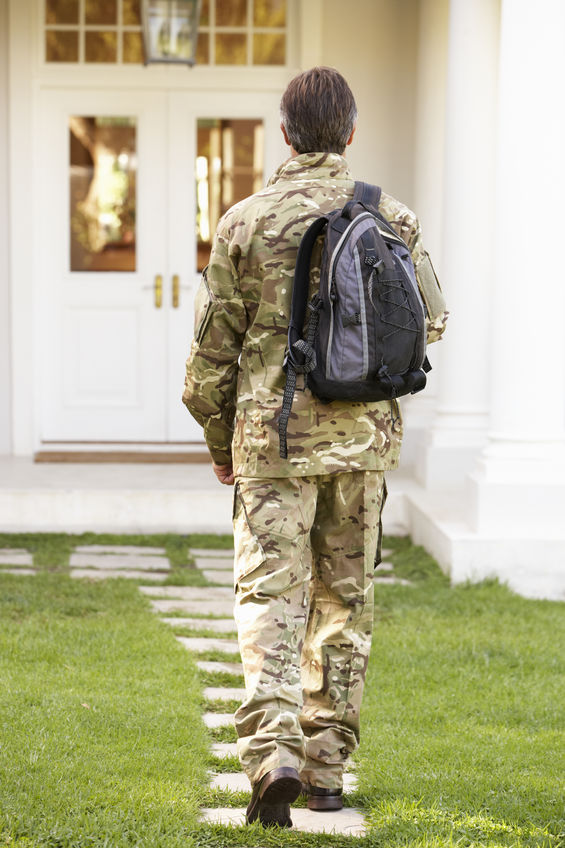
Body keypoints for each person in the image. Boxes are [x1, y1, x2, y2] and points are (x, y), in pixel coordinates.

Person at [183, 67, 447, 829]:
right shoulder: (389, 216)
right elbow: (429, 323)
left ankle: (274, 754)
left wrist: (217, 443)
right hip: (361, 448)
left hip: (270, 447)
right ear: (351, 132)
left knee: (270, 600)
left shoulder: (245, 221)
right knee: (344, 606)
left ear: (285, 131)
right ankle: (327, 771)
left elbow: (208, 363)